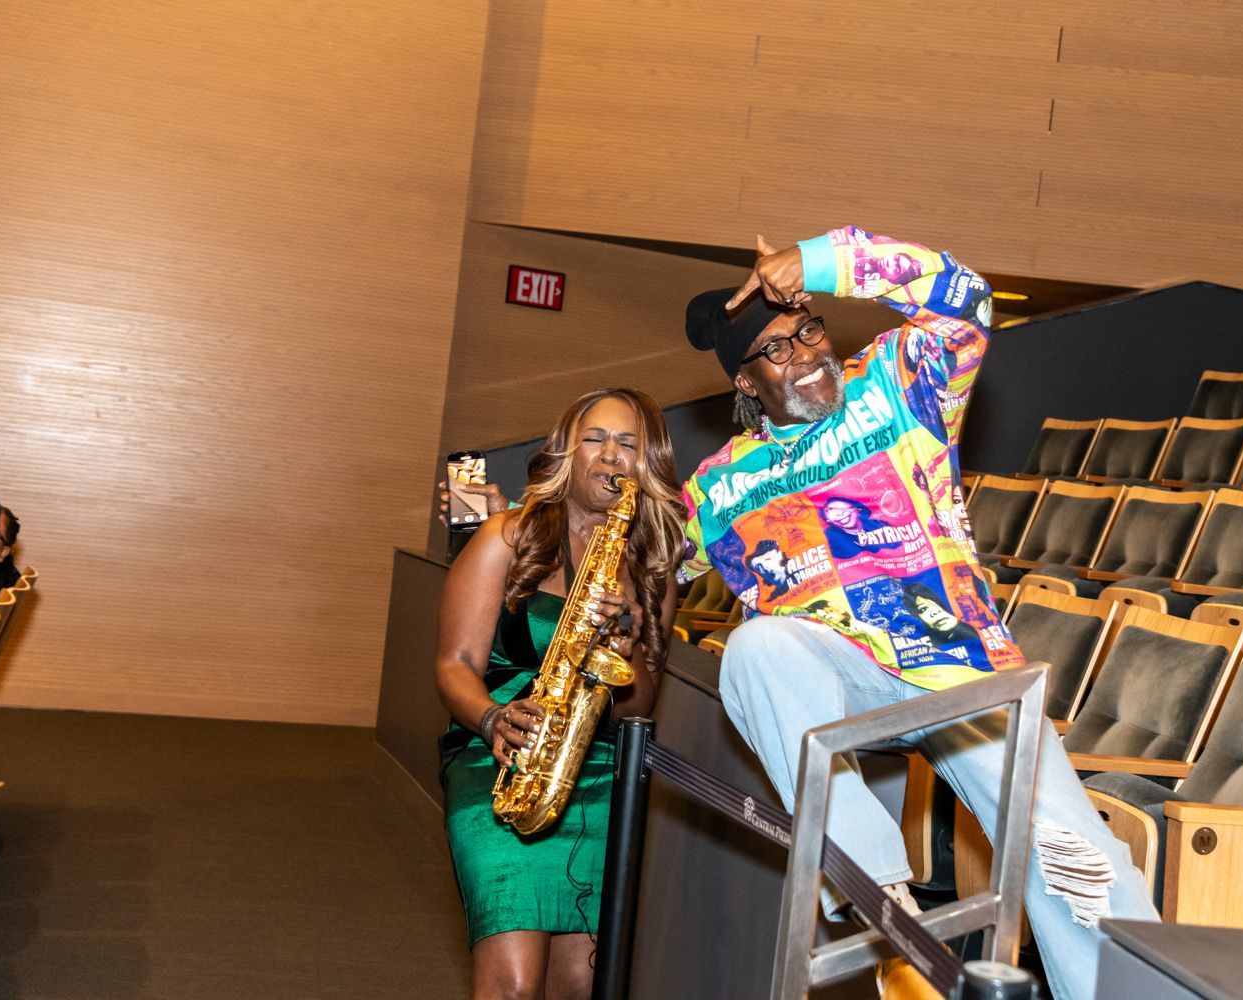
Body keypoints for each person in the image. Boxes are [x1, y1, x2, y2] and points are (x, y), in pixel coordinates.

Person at [679, 228, 1157, 1000]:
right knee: (756, 648)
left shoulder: (896, 383)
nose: (806, 353)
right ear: (746, 383)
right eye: (776, 348)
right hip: (844, 678)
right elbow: (640, 563)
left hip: (960, 666)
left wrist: (823, 260)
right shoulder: (719, 486)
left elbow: (968, 300)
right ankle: (884, 911)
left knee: (1078, 863)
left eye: (809, 329)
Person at [435, 388, 684, 1000]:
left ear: (648, 462)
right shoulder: (506, 536)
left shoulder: (653, 566)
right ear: (566, 453)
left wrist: (627, 638)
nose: (610, 456)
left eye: (628, 444)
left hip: (598, 773)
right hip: (499, 762)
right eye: (594, 439)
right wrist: (491, 719)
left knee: (579, 987)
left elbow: (639, 707)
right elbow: (454, 664)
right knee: (515, 986)